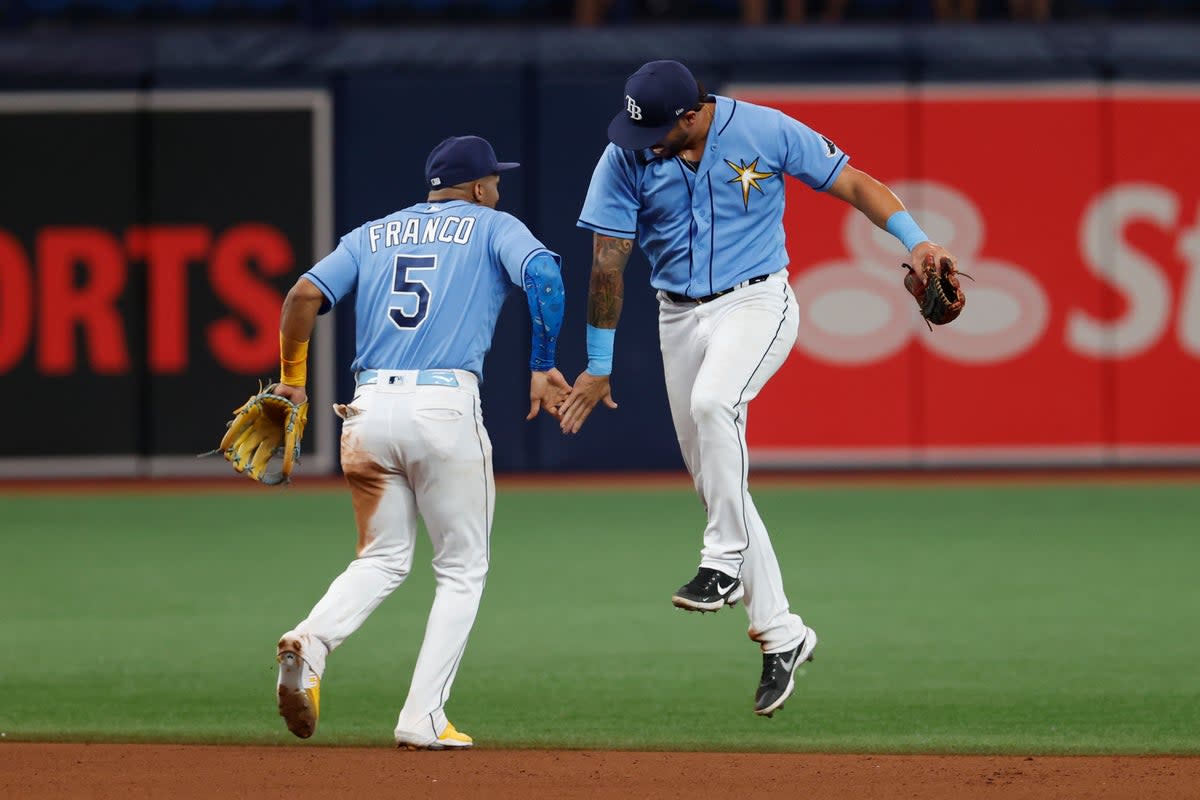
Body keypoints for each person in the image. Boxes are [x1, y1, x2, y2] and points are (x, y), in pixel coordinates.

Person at [560, 60, 957, 717]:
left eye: (657, 129)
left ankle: (720, 566)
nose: (643, 142)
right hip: (677, 315)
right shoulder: (624, 157)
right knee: (718, 481)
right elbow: (608, 262)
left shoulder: (764, 131)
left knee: (715, 404)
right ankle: (783, 634)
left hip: (757, 302)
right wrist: (598, 361)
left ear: (693, 114)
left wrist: (915, 241)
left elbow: (853, 182)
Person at [269, 135, 570, 748]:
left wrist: (292, 382)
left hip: (368, 409)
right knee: (461, 570)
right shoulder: (493, 226)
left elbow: (302, 295)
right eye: (496, 181)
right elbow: (543, 273)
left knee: (380, 558)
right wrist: (542, 362)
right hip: (442, 407)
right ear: (481, 187)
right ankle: (422, 716)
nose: (499, 190)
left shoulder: (371, 234)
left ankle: (312, 639)